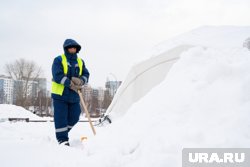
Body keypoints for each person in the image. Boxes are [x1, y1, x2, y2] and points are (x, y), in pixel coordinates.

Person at [51, 39, 90, 146]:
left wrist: (81, 80)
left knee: (75, 116)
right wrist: (70, 83)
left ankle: (63, 132)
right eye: (70, 47)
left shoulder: (80, 62)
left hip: (74, 96)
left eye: (74, 47)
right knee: (61, 117)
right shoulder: (58, 60)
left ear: (77, 49)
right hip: (60, 95)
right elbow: (57, 75)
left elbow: (86, 74)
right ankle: (62, 139)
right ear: (66, 48)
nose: (72, 49)